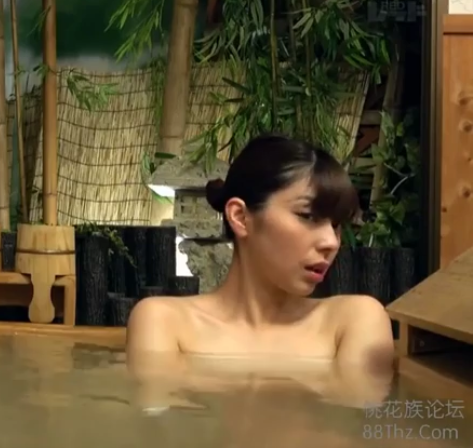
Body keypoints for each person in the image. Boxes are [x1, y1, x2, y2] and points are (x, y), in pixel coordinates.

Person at [127, 134, 395, 397]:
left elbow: (359, 420)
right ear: (240, 217)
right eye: (308, 216)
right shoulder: (166, 322)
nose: (331, 242)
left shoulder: (354, 321)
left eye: (336, 225)